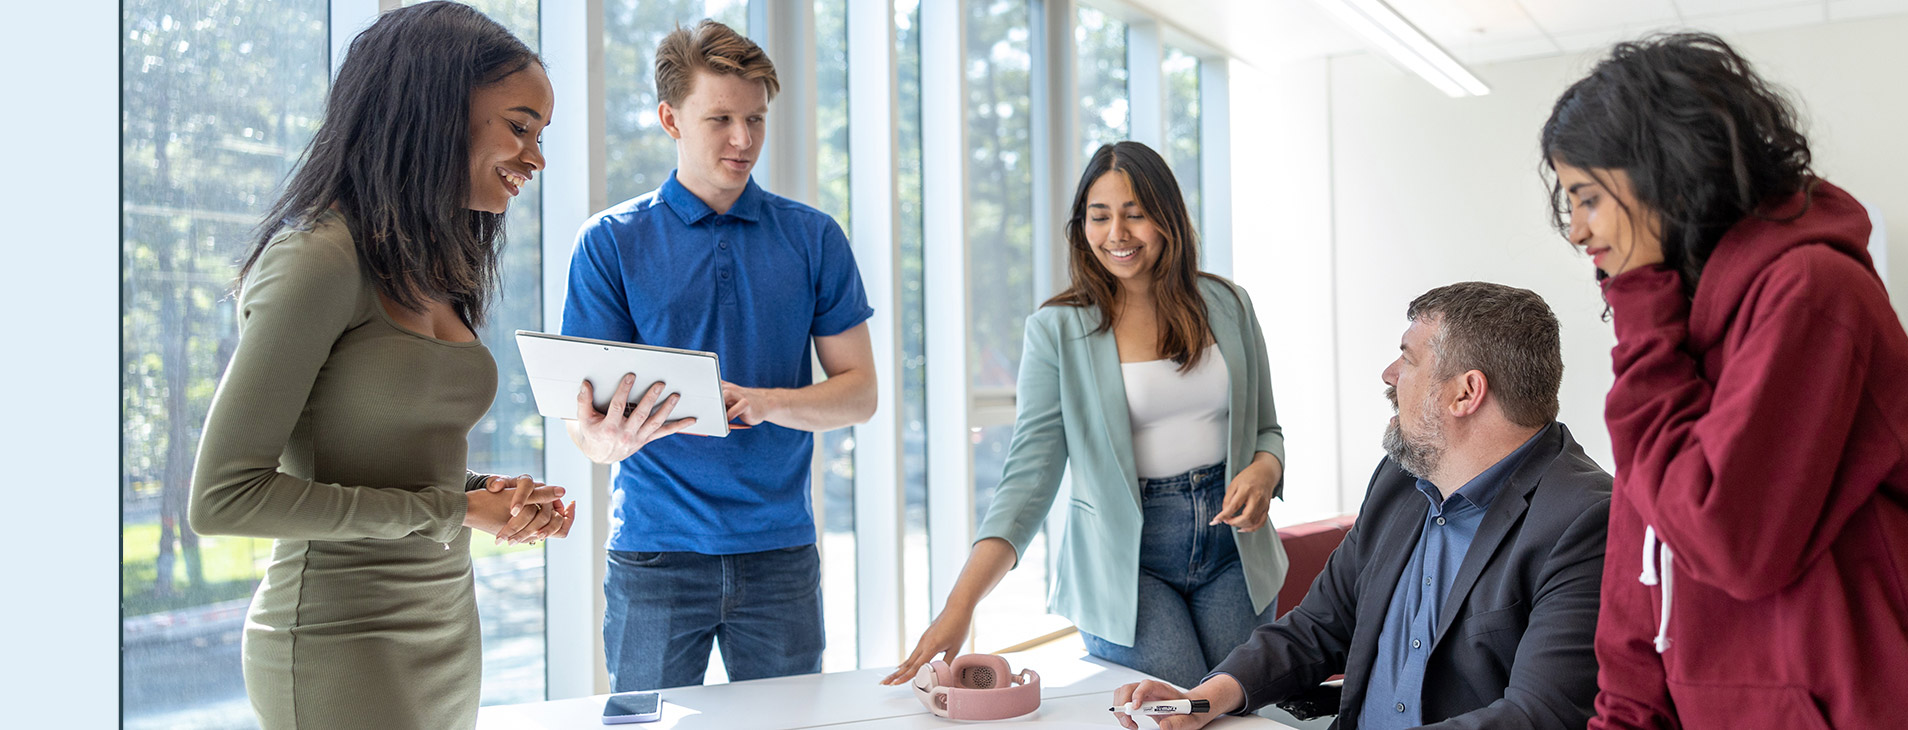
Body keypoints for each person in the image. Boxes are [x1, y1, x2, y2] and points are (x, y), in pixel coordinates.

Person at [1543, 32, 1908, 728]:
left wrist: (1639, 309)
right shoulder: (1668, 339)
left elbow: (1729, 540)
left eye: (1587, 196)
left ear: (1658, 170)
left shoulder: (1813, 292)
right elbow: (1639, 599)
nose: (1576, 231)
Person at [188, 4, 572, 728]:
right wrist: (452, 509)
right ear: (434, 108)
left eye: (540, 135)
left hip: (447, 626)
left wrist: (484, 493)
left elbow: (378, 459)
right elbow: (223, 499)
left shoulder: (434, 264)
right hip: (338, 643)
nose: (536, 157)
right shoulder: (316, 259)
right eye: (519, 126)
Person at [1112, 282, 1612, 730]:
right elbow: (1319, 624)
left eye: (1409, 359)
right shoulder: (1401, 478)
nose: (1390, 374)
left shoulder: (1586, 520)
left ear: (1466, 393)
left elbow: (1539, 715)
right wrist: (1202, 701)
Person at [882, 140, 1287, 690]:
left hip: (1233, 551)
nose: (1116, 234)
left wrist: (1264, 470)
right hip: (1125, 567)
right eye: (1100, 217)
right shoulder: (1058, 330)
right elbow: (1027, 483)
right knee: (1174, 708)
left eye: (1135, 214)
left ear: (1167, 218)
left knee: (1239, 706)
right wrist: (961, 606)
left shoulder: (1229, 304)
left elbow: (1266, 428)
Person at [562, 19, 877, 691]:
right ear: (670, 118)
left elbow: (859, 393)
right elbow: (584, 430)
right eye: (721, 119)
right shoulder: (610, 243)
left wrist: (764, 403)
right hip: (654, 553)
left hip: (781, 554)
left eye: (756, 119)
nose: (744, 140)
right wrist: (604, 438)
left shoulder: (815, 239)